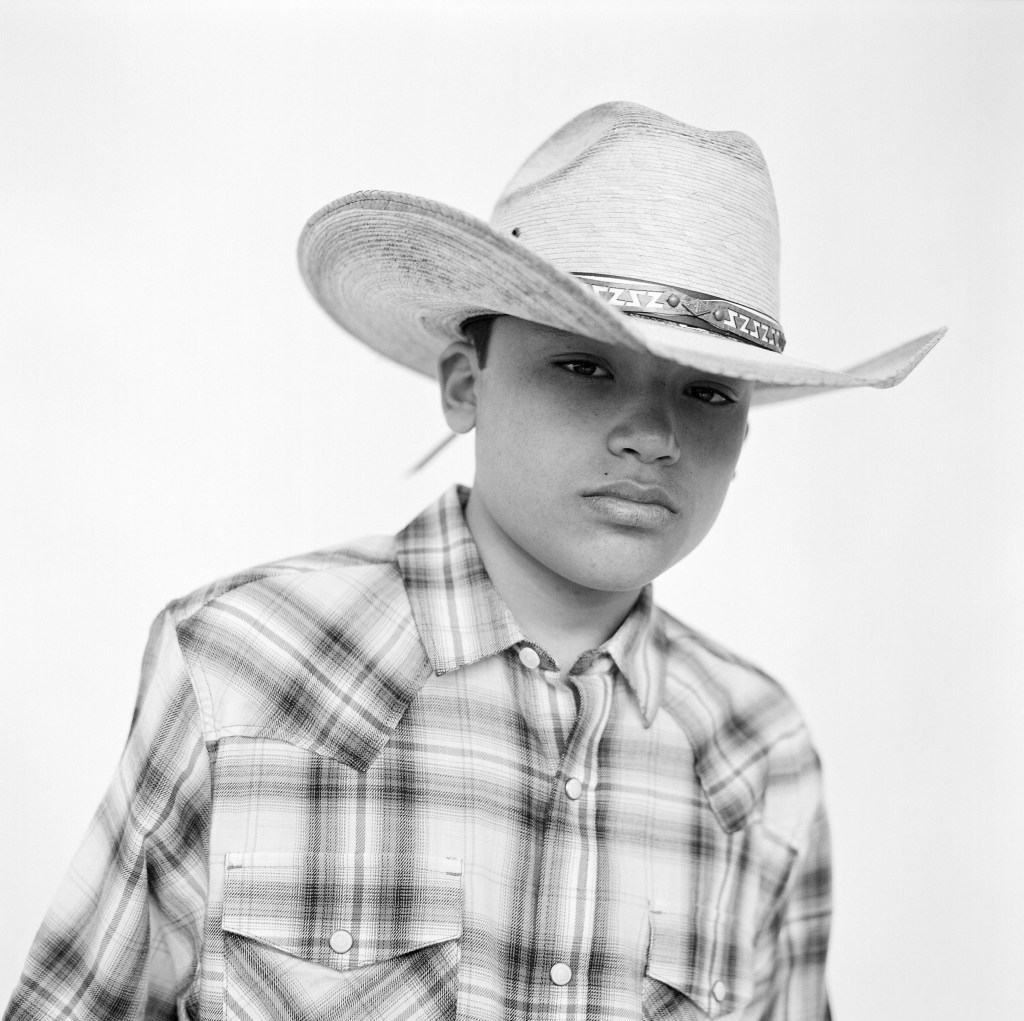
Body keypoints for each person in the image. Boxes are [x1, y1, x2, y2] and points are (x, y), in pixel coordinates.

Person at [4, 101, 943, 1021]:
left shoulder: (762, 755)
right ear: (464, 385)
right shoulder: (244, 664)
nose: (653, 435)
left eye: (707, 392)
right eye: (585, 366)